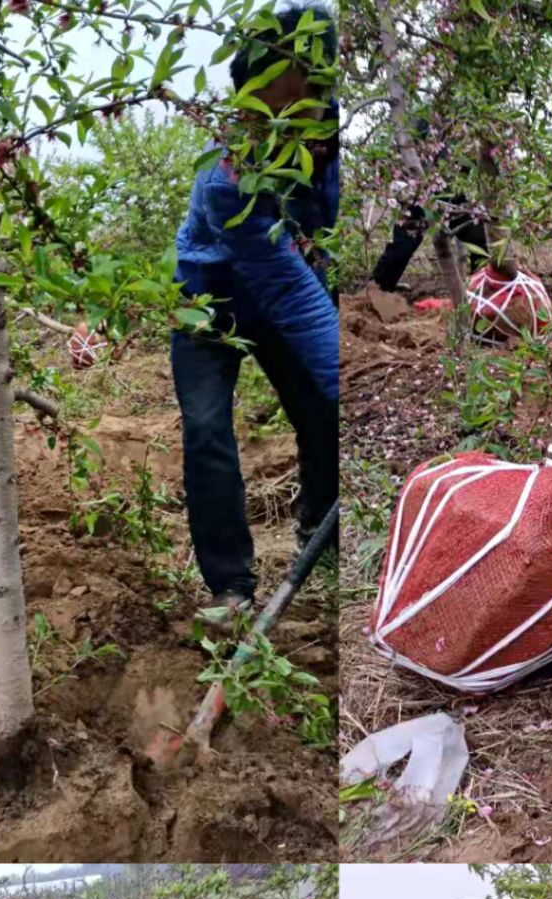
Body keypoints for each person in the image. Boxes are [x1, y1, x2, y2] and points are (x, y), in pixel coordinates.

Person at [172, 5, 338, 610]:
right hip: (206, 303)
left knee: (324, 417)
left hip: (282, 297)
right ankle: (231, 585)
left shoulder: (331, 143)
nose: (282, 129)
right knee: (208, 430)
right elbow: (291, 292)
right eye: (264, 113)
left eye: (301, 107)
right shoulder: (228, 178)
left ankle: (320, 532)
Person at [369, 121, 490, 295]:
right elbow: (404, 149)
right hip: (419, 195)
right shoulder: (429, 118)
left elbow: (482, 167)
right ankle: (375, 294)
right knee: (401, 248)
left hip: (452, 200)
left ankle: (484, 292)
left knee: (480, 237)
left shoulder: (476, 124)